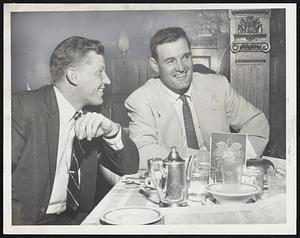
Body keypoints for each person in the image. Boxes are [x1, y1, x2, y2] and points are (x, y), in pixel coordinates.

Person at [12, 36, 139, 225]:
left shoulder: (96, 114)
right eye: (100, 72)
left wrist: (112, 131)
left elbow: (130, 168)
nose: (108, 80)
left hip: (76, 222)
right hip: (28, 223)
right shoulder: (23, 108)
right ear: (73, 76)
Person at [125, 27, 269, 169]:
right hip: (174, 181)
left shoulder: (218, 85)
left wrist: (235, 161)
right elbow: (143, 152)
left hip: (221, 179)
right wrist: (208, 159)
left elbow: (257, 123)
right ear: (155, 65)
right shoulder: (141, 99)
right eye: (170, 61)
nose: (181, 67)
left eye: (185, 57)